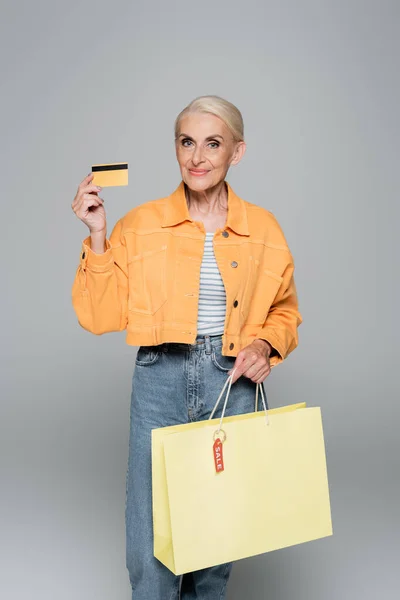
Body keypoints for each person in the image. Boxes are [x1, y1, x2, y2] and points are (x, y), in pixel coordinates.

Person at [71, 95, 302, 599]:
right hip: (160, 376)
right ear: (176, 148)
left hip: (231, 379)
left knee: (213, 540)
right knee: (150, 539)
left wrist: (265, 344)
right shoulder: (142, 223)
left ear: (235, 153)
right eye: (186, 142)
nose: (197, 157)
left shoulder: (264, 229)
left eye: (212, 143)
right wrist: (98, 236)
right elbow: (98, 316)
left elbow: (284, 312)